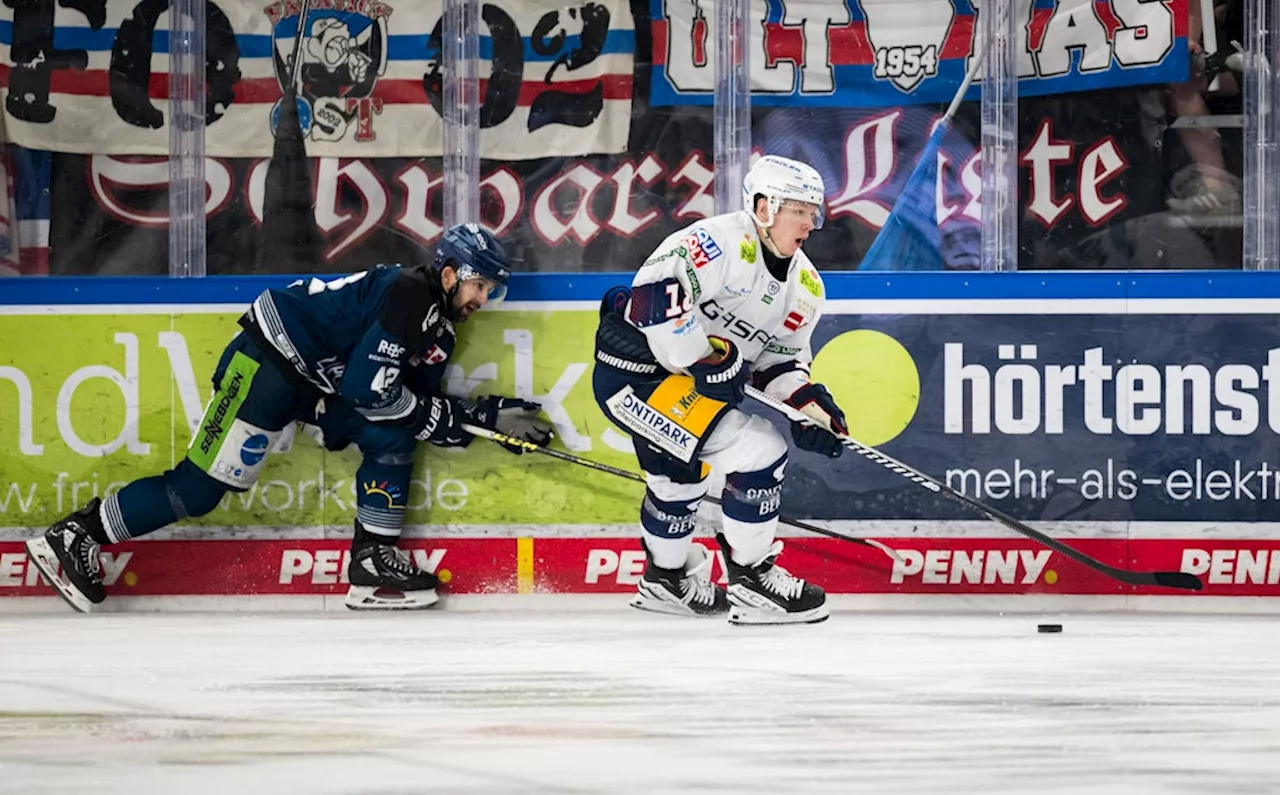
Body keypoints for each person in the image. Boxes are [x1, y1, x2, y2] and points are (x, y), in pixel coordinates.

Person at [26, 223, 553, 613]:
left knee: (392, 432)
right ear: (448, 273)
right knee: (199, 490)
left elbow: (413, 404)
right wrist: (447, 419)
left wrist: (487, 417)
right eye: (480, 285)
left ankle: (372, 561)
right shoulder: (409, 293)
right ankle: (76, 535)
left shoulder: (437, 328)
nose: (484, 298)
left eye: (491, 289)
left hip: (313, 385)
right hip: (266, 365)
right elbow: (371, 388)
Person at [592, 155, 847, 625]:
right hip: (638, 377)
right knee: (760, 452)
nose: (812, 222)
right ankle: (752, 580)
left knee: (676, 479)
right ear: (765, 207)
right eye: (801, 210)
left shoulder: (806, 285)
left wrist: (806, 404)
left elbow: (779, 361)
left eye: (815, 211)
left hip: (687, 391)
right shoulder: (716, 242)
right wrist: (708, 358)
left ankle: (665, 582)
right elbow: (652, 299)